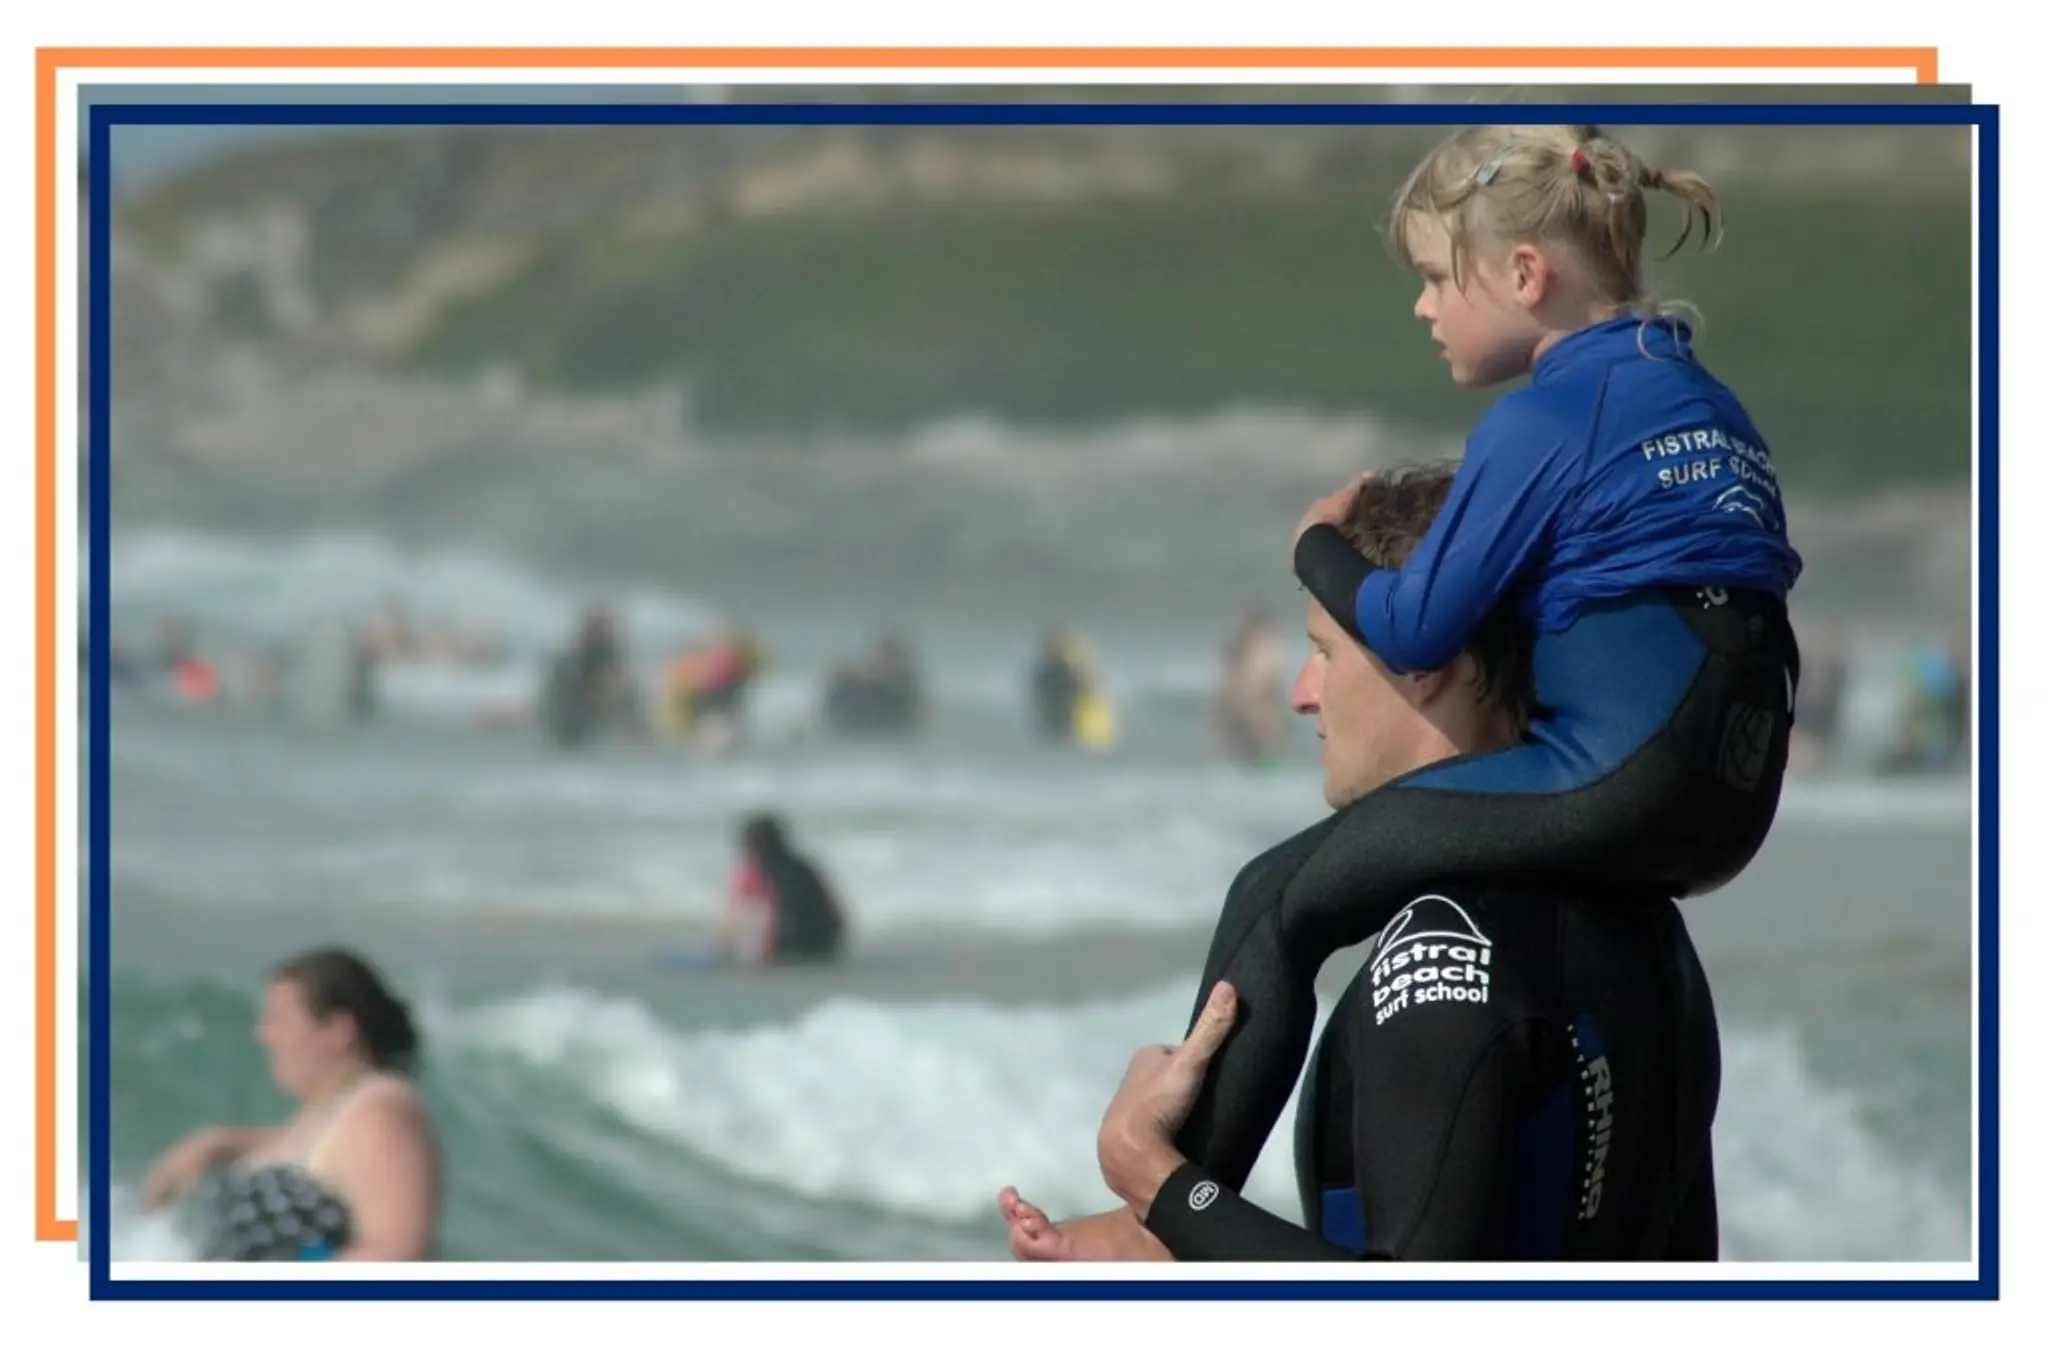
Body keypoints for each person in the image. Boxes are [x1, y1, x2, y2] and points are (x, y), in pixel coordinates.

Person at [1164, 124, 1801, 1192]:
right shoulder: (1705, 404)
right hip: (1734, 794)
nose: (1421, 308)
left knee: (1277, 897)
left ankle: (1157, 1208)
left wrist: (1313, 548)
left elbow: (1413, 628)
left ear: (1521, 272)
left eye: (1430, 277)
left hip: (1619, 775)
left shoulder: (1549, 414)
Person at [998, 464, 1722, 1260]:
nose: (1301, 694)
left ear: (1427, 658)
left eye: (1323, 654)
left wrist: (1162, 1184)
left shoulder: (1443, 945)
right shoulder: (1647, 926)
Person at [141, 948, 441, 1261]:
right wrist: (217, 1143)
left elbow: (395, 1254)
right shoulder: (334, 1113)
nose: (264, 1036)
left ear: (339, 1032)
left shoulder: (383, 1113)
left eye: (279, 1020)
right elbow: (312, 1152)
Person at [714, 813, 848, 967]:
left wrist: (720, 949)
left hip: (789, 944)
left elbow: (735, 914)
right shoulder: (804, 867)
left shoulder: (755, 871)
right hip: (826, 940)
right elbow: (835, 913)